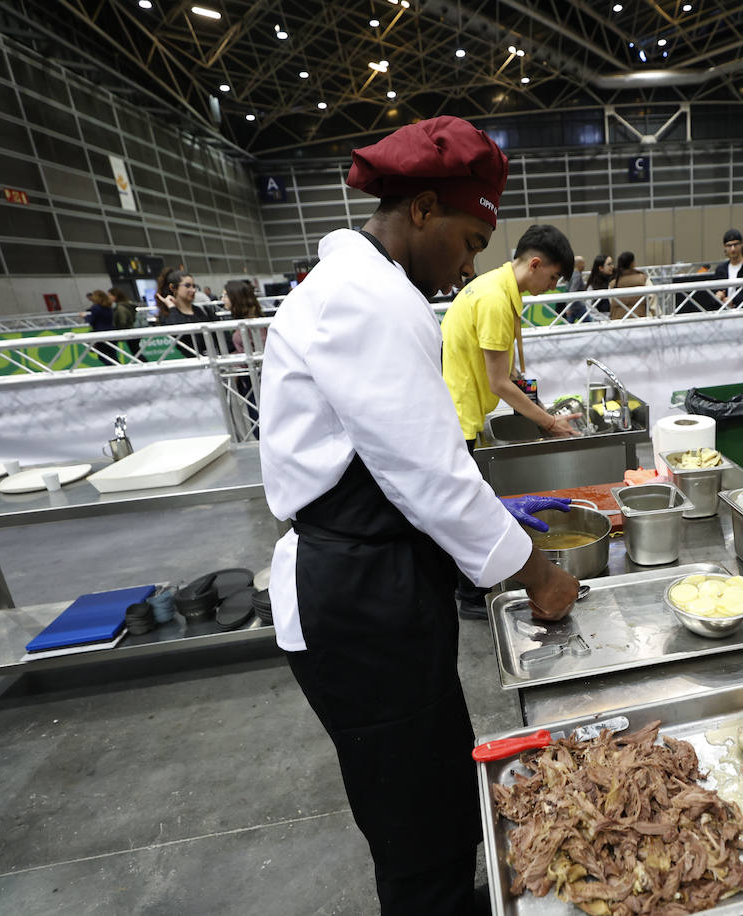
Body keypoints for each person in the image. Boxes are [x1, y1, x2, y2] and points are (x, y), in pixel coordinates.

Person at [258, 115, 580, 916]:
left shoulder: (364, 287)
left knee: (432, 786)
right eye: (470, 240)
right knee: (414, 821)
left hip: (379, 578)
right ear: (425, 210)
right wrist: (541, 578)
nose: (469, 264)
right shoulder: (367, 300)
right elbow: (431, 479)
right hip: (358, 595)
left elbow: (414, 465)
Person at [441, 224, 578, 615]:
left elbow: (504, 373)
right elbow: (499, 383)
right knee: (471, 512)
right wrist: (548, 422)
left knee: (465, 507)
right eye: (552, 277)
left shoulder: (494, 289)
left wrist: (539, 406)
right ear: (534, 263)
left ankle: (463, 590)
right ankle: (469, 599)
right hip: (459, 416)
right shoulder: (496, 300)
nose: (551, 288)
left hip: (458, 411)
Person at [223, 279, 265, 438]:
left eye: (225, 295)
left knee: (259, 423)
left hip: (257, 380)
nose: (223, 299)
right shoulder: (244, 320)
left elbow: (259, 350)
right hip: (249, 379)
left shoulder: (253, 323)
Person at [156, 269, 215, 355]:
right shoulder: (168, 315)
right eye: (187, 286)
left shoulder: (202, 310)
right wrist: (172, 307)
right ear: (173, 288)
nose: (193, 290)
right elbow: (179, 334)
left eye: (193, 286)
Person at [713, 229, 743, 308]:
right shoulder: (721, 269)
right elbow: (714, 296)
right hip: (726, 314)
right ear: (725, 247)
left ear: (742, 244)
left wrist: (733, 300)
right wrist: (719, 297)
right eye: (729, 246)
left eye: (735, 244)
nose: (733, 249)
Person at [610, 250, 648, 318]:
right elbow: (652, 298)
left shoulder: (613, 283)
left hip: (618, 320)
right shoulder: (643, 278)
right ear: (632, 263)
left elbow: (611, 302)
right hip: (639, 319)